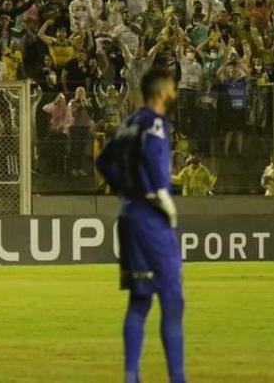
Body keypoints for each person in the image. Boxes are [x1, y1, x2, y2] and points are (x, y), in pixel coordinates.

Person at [95, 66, 184, 383]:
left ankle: (131, 376)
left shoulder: (128, 123)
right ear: (161, 92)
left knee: (140, 300)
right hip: (150, 217)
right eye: (172, 88)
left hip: (128, 215)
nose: (174, 93)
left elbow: (103, 161)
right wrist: (160, 194)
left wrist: (124, 188)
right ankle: (178, 378)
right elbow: (153, 157)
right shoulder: (155, 123)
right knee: (173, 299)